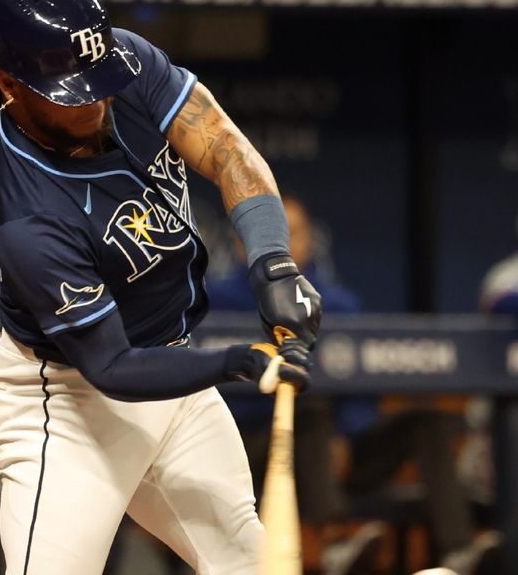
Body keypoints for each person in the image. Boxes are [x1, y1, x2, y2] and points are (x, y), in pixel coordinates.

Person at [0, 0, 321, 574]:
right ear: (8, 84)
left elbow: (224, 148)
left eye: (98, 78)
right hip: (67, 400)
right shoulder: (27, 213)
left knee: (248, 563)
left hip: (173, 368)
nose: (95, 99)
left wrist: (273, 261)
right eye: (70, 91)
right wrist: (234, 361)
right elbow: (110, 367)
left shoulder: (123, 61)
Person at [212, 196, 504, 575]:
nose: (281, 245)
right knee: (310, 412)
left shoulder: (337, 302)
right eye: (269, 234)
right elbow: (219, 396)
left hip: (334, 452)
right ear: (240, 243)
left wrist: (346, 440)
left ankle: (459, 551)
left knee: (426, 421)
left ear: (310, 241)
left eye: (292, 233)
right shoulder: (217, 299)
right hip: (257, 450)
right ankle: (335, 544)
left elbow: (360, 393)